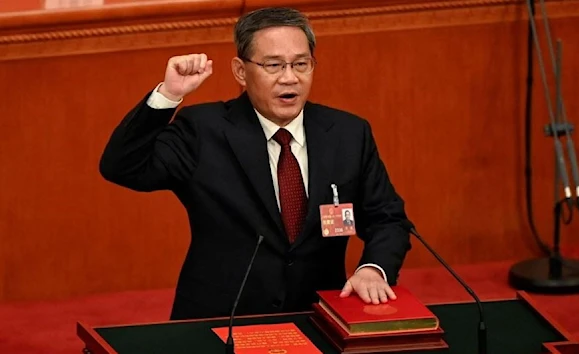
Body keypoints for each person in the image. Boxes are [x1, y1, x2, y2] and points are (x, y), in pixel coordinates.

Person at [99, 7, 413, 321]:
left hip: (318, 318)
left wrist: (374, 269)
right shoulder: (203, 130)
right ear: (240, 71)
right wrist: (168, 95)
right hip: (222, 322)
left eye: (301, 64)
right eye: (273, 65)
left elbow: (388, 218)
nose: (289, 77)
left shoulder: (347, 133)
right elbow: (122, 166)